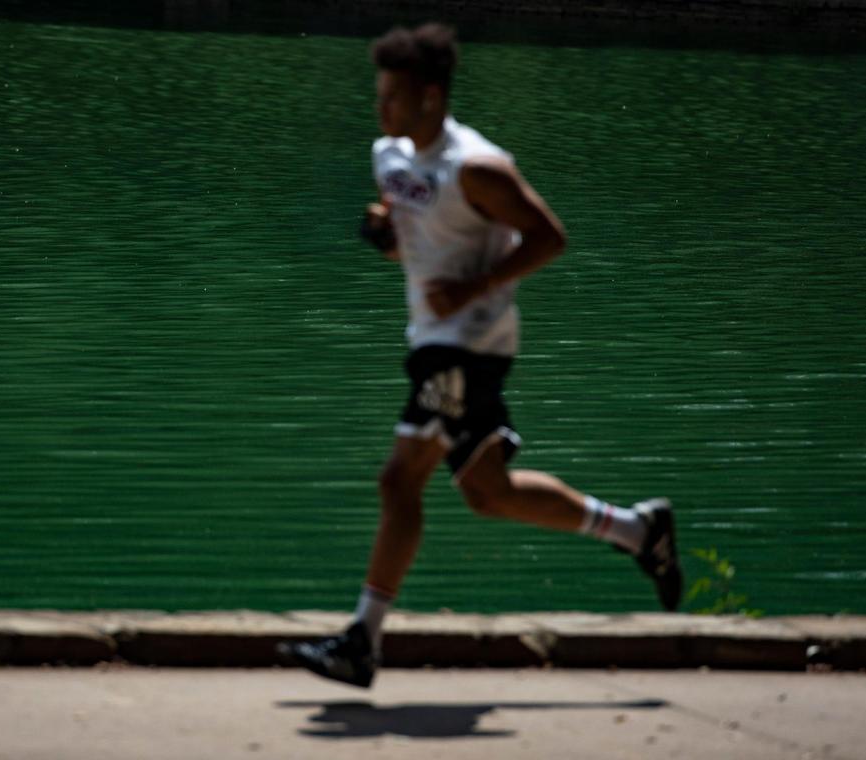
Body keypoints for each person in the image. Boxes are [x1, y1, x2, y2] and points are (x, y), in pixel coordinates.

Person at [278, 23, 681, 689]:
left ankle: (361, 642)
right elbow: (415, 243)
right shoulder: (391, 156)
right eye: (379, 97)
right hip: (432, 344)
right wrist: (383, 235)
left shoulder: (478, 168)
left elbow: (549, 238)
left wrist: (472, 286)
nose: (382, 111)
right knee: (488, 494)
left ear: (432, 98)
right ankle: (638, 530)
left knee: (398, 481)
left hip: (469, 349)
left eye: (394, 98)